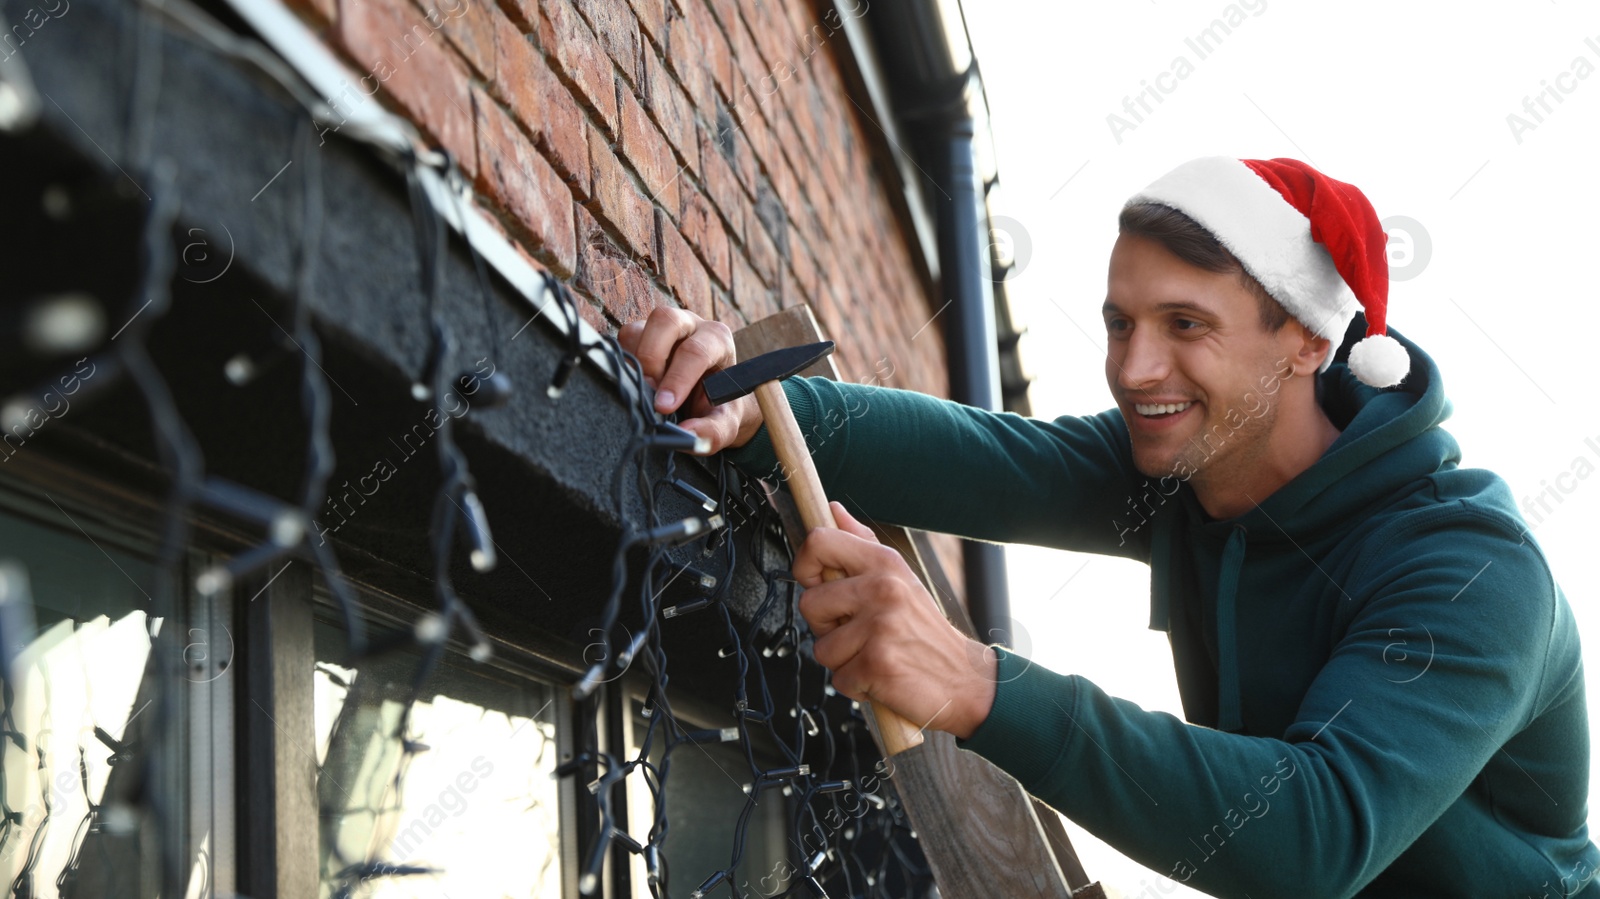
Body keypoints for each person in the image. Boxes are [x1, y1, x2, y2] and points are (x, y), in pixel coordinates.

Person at [619, 157, 1598, 897]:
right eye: (1120, 322)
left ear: (1306, 338)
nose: (1133, 369)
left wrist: (968, 678)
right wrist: (752, 408)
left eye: (1185, 324)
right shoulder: (1187, 462)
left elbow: (1313, 831)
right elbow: (985, 459)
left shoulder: (1469, 568)